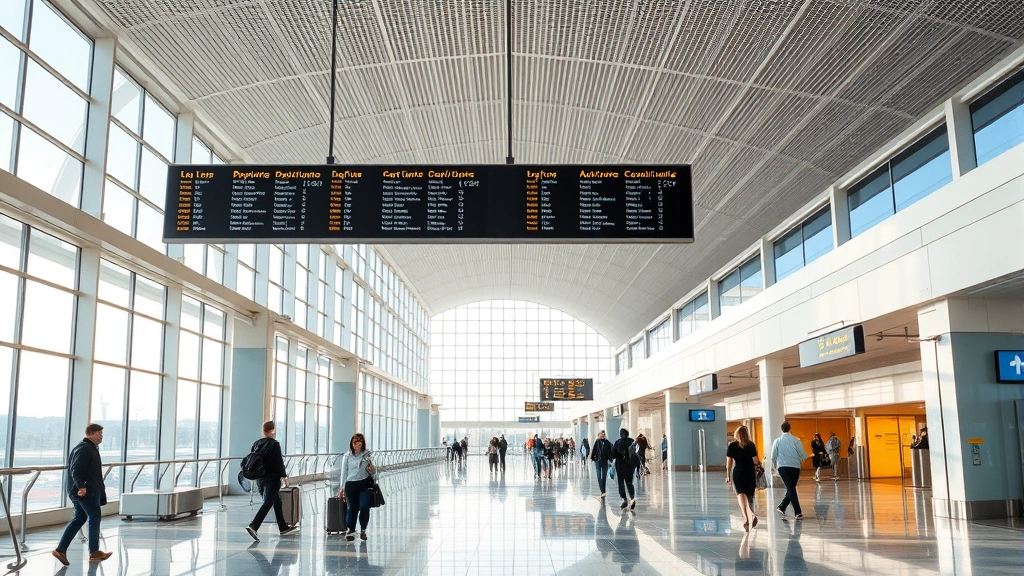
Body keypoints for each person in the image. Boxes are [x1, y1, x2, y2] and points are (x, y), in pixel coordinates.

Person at [52, 424, 113, 566]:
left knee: (80, 518)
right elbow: (76, 469)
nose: (102, 436)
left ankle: (61, 549)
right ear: (91, 433)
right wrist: (81, 486)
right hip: (85, 491)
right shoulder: (85, 448)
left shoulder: (89, 448)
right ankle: (94, 552)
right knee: (94, 516)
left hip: (84, 490)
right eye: (99, 433)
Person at [246, 421, 296, 542]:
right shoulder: (274, 444)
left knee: (276, 500)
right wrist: (284, 476)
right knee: (268, 502)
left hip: (260, 479)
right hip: (272, 479)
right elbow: (278, 462)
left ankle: (282, 527)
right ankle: (254, 526)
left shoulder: (256, 444)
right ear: (273, 430)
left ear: (263, 430)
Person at [338, 433, 376, 541]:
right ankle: (351, 530)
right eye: (355, 443)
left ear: (362, 444)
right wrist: (342, 488)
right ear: (352, 444)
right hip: (351, 485)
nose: (357, 446)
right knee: (352, 508)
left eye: (359, 443)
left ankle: (363, 529)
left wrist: (371, 467)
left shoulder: (367, 454)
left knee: (364, 506)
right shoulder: (347, 456)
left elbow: (374, 471)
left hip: (364, 485)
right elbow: (344, 472)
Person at [769, 421, 808, 519]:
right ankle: (797, 512)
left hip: (783, 468)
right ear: (790, 428)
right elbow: (803, 455)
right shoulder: (796, 440)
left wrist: (774, 466)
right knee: (791, 488)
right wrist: (802, 458)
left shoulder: (777, 441)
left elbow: (773, 456)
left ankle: (782, 507)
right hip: (795, 467)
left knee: (791, 488)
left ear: (782, 429)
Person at [725, 425, 759, 532]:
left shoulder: (732, 445)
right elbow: (756, 461)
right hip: (749, 472)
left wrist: (728, 475)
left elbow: (729, 461)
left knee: (740, 495)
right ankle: (752, 515)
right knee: (749, 495)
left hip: (738, 472)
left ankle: (745, 518)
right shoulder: (751, 445)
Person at [612, 428, 639, 510]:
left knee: (621, 483)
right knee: (629, 483)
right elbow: (635, 453)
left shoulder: (617, 442)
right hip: (629, 466)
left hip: (620, 466)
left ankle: (624, 499)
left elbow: (613, 454)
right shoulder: (631, 441)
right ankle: (632, 498)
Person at [591, 431, 613, 498]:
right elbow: (594, 450)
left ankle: (603, 491)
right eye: (602, 434)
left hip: (604, 461)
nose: (603, 435)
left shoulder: (607, 442)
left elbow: (610, 450)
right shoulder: (597, 441)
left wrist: (610, 458)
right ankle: (602, 491)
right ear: (599, 435)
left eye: (604, 434)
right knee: (598, 476)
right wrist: (592, 458)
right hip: (597, 461)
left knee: (604, 476)